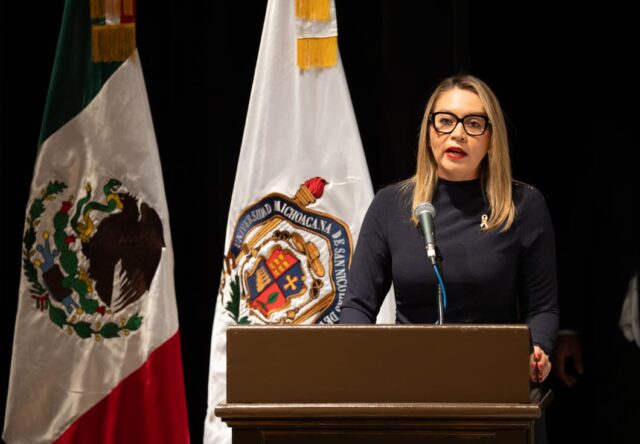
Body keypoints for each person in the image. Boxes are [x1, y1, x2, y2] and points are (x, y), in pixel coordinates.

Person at [339, 74, 560, 386]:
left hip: (492, 378)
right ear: (429, 131)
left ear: (491, 138)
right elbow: (357, 306)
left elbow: (542, 307)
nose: (457, 134)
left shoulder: (523, 205)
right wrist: (359, 361)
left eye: (473, 124)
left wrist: (538, 348)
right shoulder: (390, 205)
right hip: (406, 380)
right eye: (445, 121)